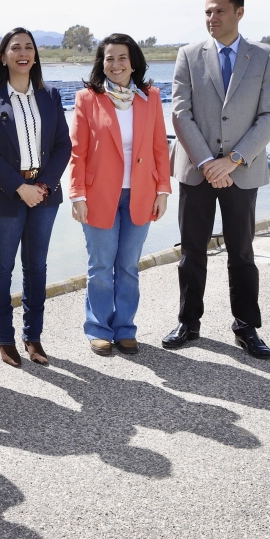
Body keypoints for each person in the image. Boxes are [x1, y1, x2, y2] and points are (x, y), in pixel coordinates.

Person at [163, 0, 270, 359]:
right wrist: (206, 163)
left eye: (219, 11)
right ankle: (188, 322)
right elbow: (181, 113)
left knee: (242, 252)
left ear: (239, 12)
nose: (212, 18)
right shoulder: (188, 55)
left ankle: (246, 327)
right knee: (191, 250)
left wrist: (233, 159)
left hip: (242, 171)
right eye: (208, 12)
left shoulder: (264, 56)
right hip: (196, 170)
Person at [0, 28, 73, 367]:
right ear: (3, 56)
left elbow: (63, 145)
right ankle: (5, 339)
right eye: (15, 47)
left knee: (36, 267)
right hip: (4, 195)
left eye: (29, 47)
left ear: (35, 55)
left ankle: (33, 336)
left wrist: (42, 185)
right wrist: (20, 187)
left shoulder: (50, 95)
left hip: (44, 193)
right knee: (2, 268)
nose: (23, 53)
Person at [69, 34, 171, 357]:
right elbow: (78, 152)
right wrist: (77, 195)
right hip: (98, 195)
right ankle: (99, 329)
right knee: (100, 265)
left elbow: (160, 147)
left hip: (142, 194)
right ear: (101, 63)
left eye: (122, 58)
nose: (115, 64)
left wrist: (163, 190)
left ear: (133, 62)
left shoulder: (150, 97)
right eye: (109, 58)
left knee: (128, 266)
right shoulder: (88, 98)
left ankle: (125, 328)